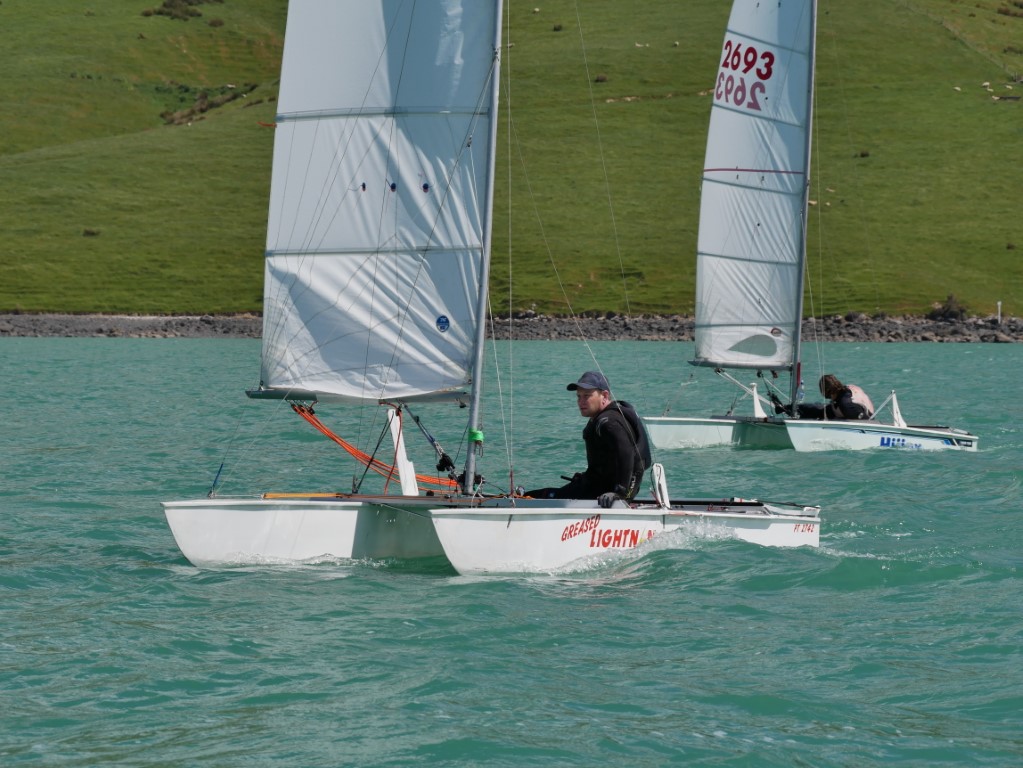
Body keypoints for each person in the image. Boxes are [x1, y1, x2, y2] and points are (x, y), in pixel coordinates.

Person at [524, 370, 651, 508]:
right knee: (544, 495)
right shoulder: (604, 417)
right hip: (600, 485)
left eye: (587, 396)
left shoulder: (608, 422)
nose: (581, 401)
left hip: (612, 494)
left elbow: (626, 453)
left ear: (604, 395)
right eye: (578, 396)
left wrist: (619, 493)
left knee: (543, 497)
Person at [795, 374, 875, 420]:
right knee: (817, 409)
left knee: (821, 411)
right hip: (844, 409)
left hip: (862, 415)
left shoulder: (845, 404)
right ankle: (792, 408)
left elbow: (867, 420)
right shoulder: (843, 392)